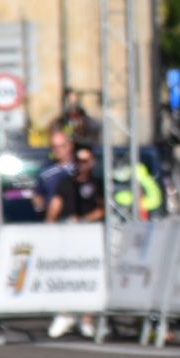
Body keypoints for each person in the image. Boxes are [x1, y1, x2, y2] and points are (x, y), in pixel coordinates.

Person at [46, 143, 103, 338]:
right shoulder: (66, 183)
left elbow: (102, 209)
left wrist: (85, 220)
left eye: (86, 161)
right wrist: (50, 226)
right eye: (79, 161)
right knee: (65, 274)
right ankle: (65, 314)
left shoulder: (97, 184)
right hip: (67, 235)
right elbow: (54, 207)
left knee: (89, 276)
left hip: (90, 236)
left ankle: (86, 319)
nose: (82, 165)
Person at [33, 130, 75, 218]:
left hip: (75, 219)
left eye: (61, 146)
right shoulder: (46, 169)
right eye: (54, 147)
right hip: (51, 218)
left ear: (70, 145)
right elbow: (37, 192)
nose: (57, 150)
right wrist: (40, 208)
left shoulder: (79, 167)